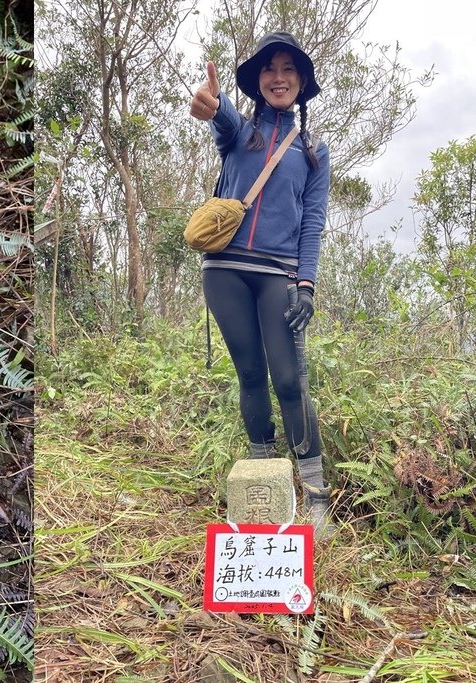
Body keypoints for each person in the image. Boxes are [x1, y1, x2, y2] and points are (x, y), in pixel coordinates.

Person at [188, 32, 331, 534]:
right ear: (258, 81)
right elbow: (220, 116)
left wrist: (307, 285)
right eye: (269, 69)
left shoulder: (313, 149)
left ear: (301, 82)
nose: (278, 77)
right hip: (224, 270)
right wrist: (215, 104)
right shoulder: (240, 134)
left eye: (288, 69)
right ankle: (263, 482)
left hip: (278, 274)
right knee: (250, 376)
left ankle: (314, 493)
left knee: (289, 380)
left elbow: (312, 221)